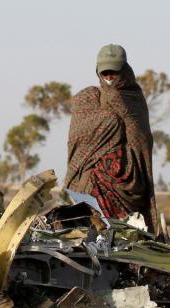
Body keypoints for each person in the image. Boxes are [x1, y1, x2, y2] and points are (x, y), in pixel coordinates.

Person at [65, 44, 158, 233]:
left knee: (128, 235)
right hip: (93, 178)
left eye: (113, 73)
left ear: (123, 71)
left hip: (129, 180)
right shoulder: (88, 98)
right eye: (104, 73)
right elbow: (78, 138)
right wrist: (110, 121)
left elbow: (141, 142)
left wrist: (116, 106)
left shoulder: (134, 99)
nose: (108, 78)